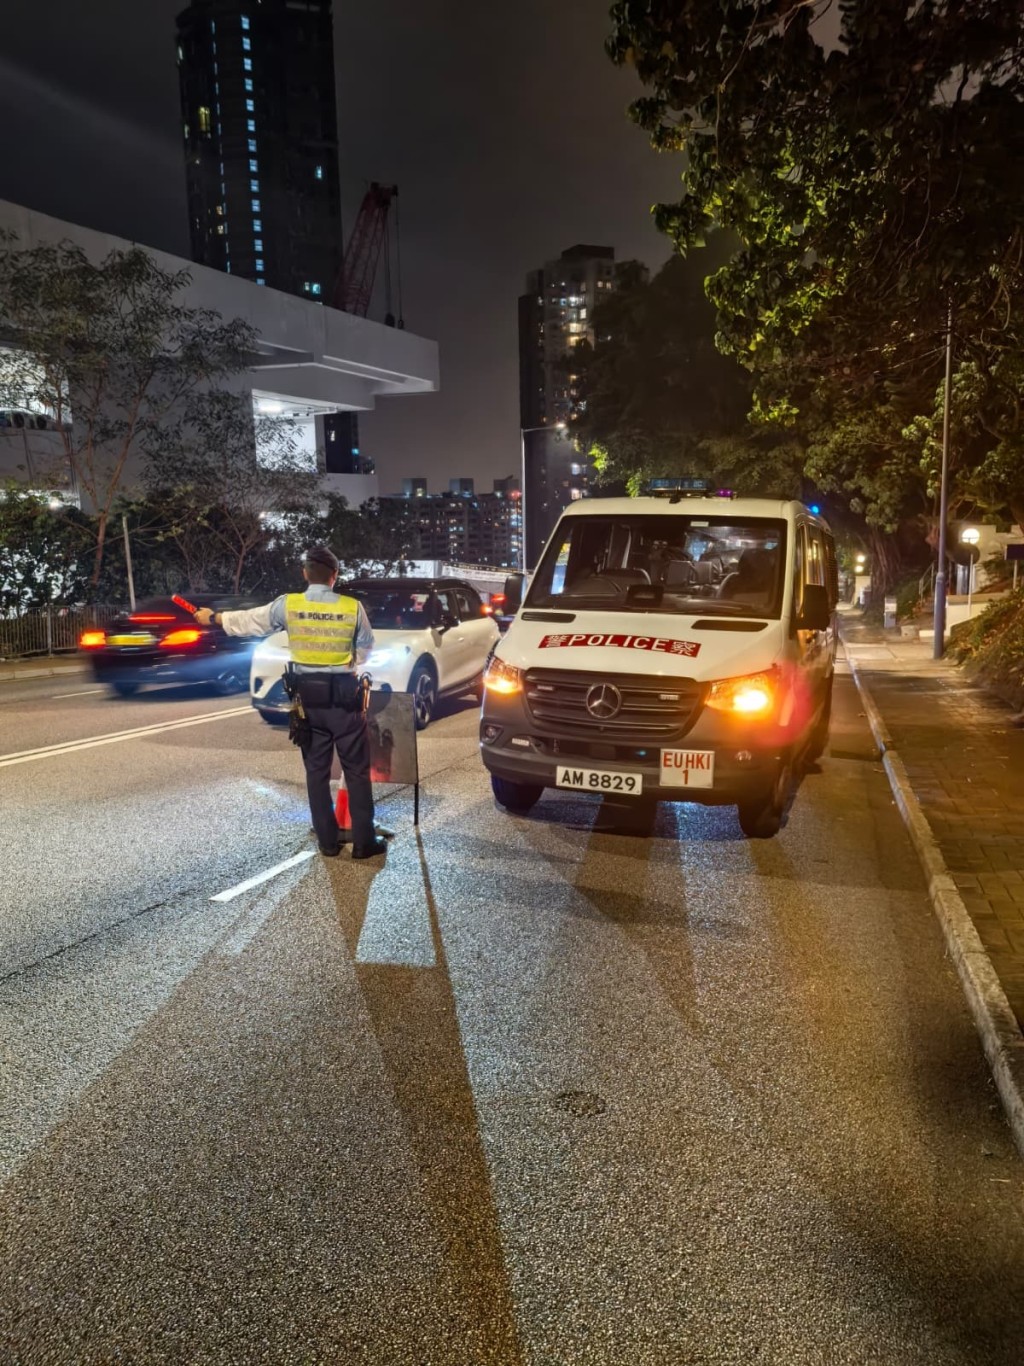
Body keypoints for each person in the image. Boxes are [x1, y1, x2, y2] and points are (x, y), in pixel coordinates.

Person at [193, 546, 387, 860]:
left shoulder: (289, 604)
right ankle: (365, 843)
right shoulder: (353, 608)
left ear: (305, 574)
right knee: (356, 770)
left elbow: (251, 620)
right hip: (344, 697)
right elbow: (366, 647)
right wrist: (348, 661)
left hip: (307, 699)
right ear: (334, 577)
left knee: (316, 771)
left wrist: (213, 618)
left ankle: (327, 842)